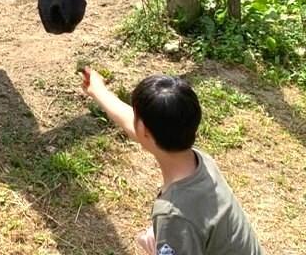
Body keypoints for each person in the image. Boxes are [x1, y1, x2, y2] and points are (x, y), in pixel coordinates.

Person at [81, 68, 264, 255]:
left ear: (144, 129)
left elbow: (182, 219)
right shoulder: (201, 162)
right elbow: (136, 125)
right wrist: (98, 91)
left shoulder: (173, 215)